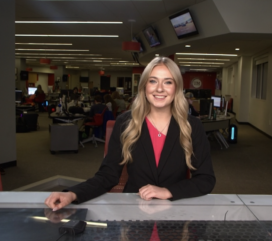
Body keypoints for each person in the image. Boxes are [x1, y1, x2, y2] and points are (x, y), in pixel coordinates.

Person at [44, 56, 215, 211]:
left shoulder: (192, 126)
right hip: (135, 212)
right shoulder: (126, 123)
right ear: (144, 86)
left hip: (175, 212)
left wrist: (168, 191)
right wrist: (73, 194)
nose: (160, 89)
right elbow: (107, 175)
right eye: (153, 81)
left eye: (168, 82)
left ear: (176, 87)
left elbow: (205, 179)